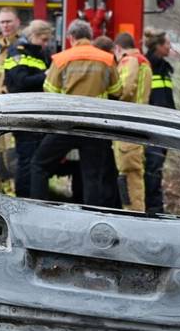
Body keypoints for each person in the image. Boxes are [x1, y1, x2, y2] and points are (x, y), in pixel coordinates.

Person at [29, 20, 122, 208]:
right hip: (96, 125)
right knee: (92, 176)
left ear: (71, 38)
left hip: (67, 125)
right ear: (91, 37)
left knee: (39, 165)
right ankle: (91, 217)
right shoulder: (107, 59)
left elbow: (50, 91)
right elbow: (118, 91)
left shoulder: (61, 59)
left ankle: (36, 209)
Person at [3, 19, 54, 198]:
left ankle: (34, 197)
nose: (46, 44)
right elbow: (21, 82)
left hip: (38, 113)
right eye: (43, 39)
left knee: (35, 160)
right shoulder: (17, 52)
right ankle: (24, 198)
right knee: (27, 159)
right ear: (33, 36)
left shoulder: (40, 53)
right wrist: (46, 75)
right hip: (23, 112)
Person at [112, 32, 151, 211]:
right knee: (133, 176)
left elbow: (125, 89)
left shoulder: (129, 60)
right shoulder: (143, 60)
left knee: (129, 177)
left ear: (118, 48)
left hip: (127, 124)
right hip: (137, 122)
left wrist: (110, 94)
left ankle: (134, 217)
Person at [143, 28, 175, 215]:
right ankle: (153, 209)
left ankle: (154, 208)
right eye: (168, 44)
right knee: (152, 169)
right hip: (153, 126)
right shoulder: (148, 66)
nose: (170, 47)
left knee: (156, 168)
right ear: (158, 46)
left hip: (165, 126)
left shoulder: (164, 68)